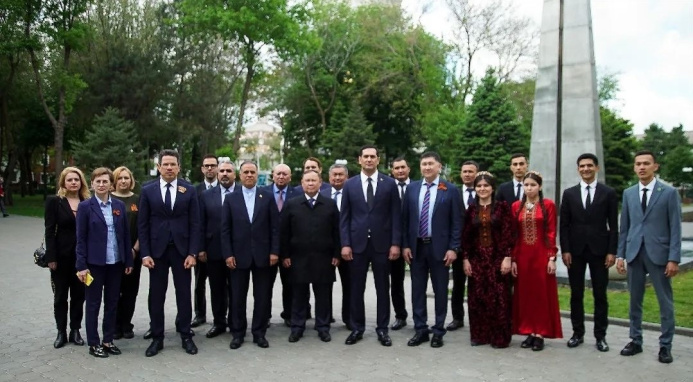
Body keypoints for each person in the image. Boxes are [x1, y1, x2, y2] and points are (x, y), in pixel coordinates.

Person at [616, 150, 681, 364]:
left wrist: (673, 258)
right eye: (638, 164)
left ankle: (665, 346)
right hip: (635, 253)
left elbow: (675, 228)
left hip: (659, 254)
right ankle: (635, 340)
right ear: (634, 167)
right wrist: (620, 254)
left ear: (655, 166)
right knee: (635, 300)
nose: (641, 167)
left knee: (665, 301)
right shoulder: (629, 193)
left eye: (646, 163)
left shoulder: (669, 193)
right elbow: (624, 227)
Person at [138, 149, 200, 357]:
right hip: (157, 253)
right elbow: (143, 225)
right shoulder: (148, 190)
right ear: (159, 167)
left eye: (173, 164)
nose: (169, 168)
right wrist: (145, 253)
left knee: (184, 295)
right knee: (156, 295)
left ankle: (185, 335)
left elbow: (195, 223)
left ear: (179, 167)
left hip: (182, 252)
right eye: (165, 164)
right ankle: (157, 337)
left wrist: (192, 252)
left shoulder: (189, 190)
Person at [340, 145, 401, 347]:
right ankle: (357, 328)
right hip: (356, 246)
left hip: (382, 245)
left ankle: (382, 329)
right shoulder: (349, 185)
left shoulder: (389, 183)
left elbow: (395, 216)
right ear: (359, 159)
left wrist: (395, 244)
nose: (368, 160)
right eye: (365, 156)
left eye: (372, 156)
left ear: (378, 159)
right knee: (356, 288)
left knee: (383, 288)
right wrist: (345, 244)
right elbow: (345, 218)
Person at [402, 152, 461, 348]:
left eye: (430, 164)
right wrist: (405, 245)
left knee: (440, 291)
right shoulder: (411, 189)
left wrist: (453, 248)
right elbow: (405, 220)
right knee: (417, 290)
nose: (427, 167)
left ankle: (438, 330)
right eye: (424, 164)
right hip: (417, 248)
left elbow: (456, 222)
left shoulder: (450, 190)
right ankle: (420, 329)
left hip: (440, 249)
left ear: (439, 166)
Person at [559, 153, 618, 352]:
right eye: (582, 166)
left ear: (596, 168)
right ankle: (577, 333)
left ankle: (600, 336)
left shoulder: (608, 193)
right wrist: (565, 249)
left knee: (600, 295)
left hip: (600, 251)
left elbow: (614, 225)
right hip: (574, 251)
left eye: (589, 166)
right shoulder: (569, 193)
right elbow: (564, 225)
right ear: (578, 169)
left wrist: (612, 251)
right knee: (576, 294)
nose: (586, 169)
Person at [75, 167, 134, 358]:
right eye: (98, 181)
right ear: (92, 184)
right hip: (94, 265)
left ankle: (108, 340)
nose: (101, 185)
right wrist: (81, 266)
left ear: (111, 184)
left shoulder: (118, 206)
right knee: (93, 303)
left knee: (112, 302)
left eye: (105, 181)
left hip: (115, 263)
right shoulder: (85, 207)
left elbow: (125, 235)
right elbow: (81, 238)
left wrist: (128, 261)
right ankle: (94, 343)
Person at [222, 161, 280, 350]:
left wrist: (274, 251)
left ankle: (259, 333)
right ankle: (237, 333)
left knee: (262, 296)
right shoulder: (231, 198)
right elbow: (225, 229)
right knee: (237, 296)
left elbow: (274, 227)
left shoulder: (267, 196)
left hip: (263, 256)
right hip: (238, 257)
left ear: (257, 175)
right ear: (240, 175)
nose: (249, 175)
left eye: (252, 172)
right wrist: (228, 254)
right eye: (245, 172)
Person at [281, 170, 341, 343]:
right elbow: (284, 232)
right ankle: (297, 327)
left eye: (314, 180)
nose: (310, 183)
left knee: (323, 295)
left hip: (324, 258)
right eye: (307, 180)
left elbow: (337, 231)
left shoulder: (329, 204)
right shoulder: (292, 204)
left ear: (320, 183)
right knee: (299, 295)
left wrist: (337, 253)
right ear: (302, 183)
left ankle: (323, 327)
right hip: (298, 258)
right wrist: (284, 255)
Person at [461, 171, 514, 348]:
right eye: (479, 186)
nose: (482, 189)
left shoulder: (502, 207)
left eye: (486, 186)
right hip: (477, 258)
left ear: (492, 188)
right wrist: (466, 259)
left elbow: (508, 233)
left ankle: (499, 336)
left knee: (499, 297)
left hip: (497, 258)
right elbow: (466, 237)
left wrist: (507, 257)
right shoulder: (471, 210)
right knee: (477, 297)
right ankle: (479, 335)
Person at [511, 171, 562, 351]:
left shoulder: (548, 205)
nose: (529, 188)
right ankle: (528, 331)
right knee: (525, 294)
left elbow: (551, 233)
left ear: (539, 186)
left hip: (541, 255)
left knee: (541, 294)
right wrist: (514, 259)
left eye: (533, 185)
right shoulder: (516, 206)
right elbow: (514, 235)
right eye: (526, 185)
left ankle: (540, 333)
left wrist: (551, 257)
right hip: (523, 256)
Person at [45, 167, 89, 349]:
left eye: (76, 180)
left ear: (81, 182)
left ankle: (75, 330)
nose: (73, 182)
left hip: (83, 259)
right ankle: (61, 332)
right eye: (69, 179)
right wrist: (51, 257)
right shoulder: (54, 202)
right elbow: (49, 230)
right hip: (61, 258)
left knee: (79, 296)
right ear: (63, 182)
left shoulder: (88, 201)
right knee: (60, 296)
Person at [198, 159, 238, 339]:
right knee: (217, 288)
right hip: (213, 250)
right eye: (221, 171)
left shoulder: (243, 193)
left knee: (237, 288)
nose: (224, 174)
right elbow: (200, 223)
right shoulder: (207, 195)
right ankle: (219, 322)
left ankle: (236, 322)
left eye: (228, 171)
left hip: (238, 251)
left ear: (234, 174)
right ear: (217, 173)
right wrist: (200, 248)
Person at [267, 163, 300, 327]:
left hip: (291, 249)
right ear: (273, 175)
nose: (281, 177)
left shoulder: (298, 193)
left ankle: (289, 314)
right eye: (278, 174)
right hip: (268, 249)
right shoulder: (263, 193)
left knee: (290, 284)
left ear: (290, 177)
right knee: (265, 285)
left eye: (284, 174)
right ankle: (264, 316)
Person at [111, 166, 141, 340]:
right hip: (113, 255)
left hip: (134, 253)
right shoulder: (109, 199)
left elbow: (142, 228)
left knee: (131, 291)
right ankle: (114, 325)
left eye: (126, 178)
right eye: (120, 178)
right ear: (115, 181)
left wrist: (135, 249)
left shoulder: (138, 200)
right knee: (115, 290)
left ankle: (126, 324)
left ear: (131, 180)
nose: (123, 181)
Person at [448, 160, 478, 331]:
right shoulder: (454, 192)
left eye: (471, 171)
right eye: (464, 171)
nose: (467, 174)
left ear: (477, 173)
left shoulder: (483, 192)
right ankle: (457, 318)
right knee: (458, 284)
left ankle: (477, 319)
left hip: (478, 247)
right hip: (459, 245)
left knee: (477, 285)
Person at [321, 163, 352, 330]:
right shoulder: (322, 194)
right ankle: (326, 317)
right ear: (329, 177)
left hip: (349, 248)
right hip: (327, 249)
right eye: (335, 175)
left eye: (341, 175)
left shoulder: (353, 193)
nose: (338, 178)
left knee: (349, 285)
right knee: (325, 285)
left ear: (346, 177)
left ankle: (349, 318)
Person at [192, 154, 219, 328]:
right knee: (199, 282)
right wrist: (199, 248)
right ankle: (200, 314)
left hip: (220, 246)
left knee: (221, 284)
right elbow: (195, 222)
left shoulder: (227, 188)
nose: (210, 168)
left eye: (213, 165)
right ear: (202, 169)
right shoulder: (195, 190)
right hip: (202, 245)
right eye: (206, 166)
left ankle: (222, 315)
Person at [389, 156, 410, 331]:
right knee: (396, 282)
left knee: (420, 282)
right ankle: (400, 315)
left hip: (414, 243)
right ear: (392, 171)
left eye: (403, 167)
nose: (400, 171)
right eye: (396, 168)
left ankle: (422, 317)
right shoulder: (387, 188)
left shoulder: (418, 187)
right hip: (393, 243)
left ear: (409, 169)